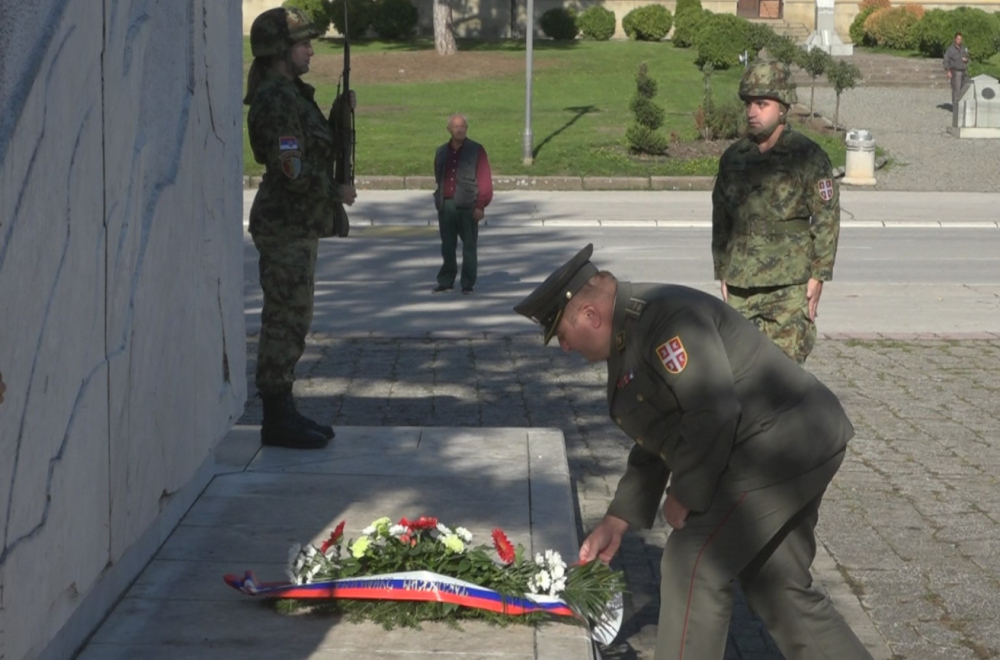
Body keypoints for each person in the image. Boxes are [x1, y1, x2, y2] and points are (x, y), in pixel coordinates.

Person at [514, 244, 873, 660]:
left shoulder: (664, 319)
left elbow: (712, 410)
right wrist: (618, 518)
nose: (565, 349)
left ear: (591, 316)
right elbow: (665, 432)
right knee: (778, 586)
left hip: (781, 442)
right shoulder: (632, 331)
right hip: (797, 438)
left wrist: (686, 491)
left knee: (692, 564)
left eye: (562, 335)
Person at [245, 7, 357, 449]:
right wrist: (334, 190)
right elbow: (291, 168)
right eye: (303, 43)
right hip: (283, 225)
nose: (310, 50)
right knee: (284, 320)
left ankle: (284, 408)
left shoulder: (292, 93)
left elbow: (310, 146)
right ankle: (276, 416)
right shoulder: (276, 98)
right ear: (279, 50)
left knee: (295, 317)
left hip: (296, 225)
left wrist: (337, 116)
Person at [712, 60, 841, 364]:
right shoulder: (734, 158)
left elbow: (826, 216)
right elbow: (722, 219)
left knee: (783, 378)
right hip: (742, 284)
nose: (752, 112)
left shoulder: (807, 156)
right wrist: (723, 270)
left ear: (783, 107)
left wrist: (818, 276)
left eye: (762, 104)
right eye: (748, 104)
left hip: (789, 285)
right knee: (738, 373)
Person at [432, 114, 493, 295]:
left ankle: (467, 283)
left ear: (467, 128)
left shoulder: (477, 150)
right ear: (449, 129)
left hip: (468, 206)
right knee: (447, 246)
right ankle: (446, 280)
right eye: (455, 127)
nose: (459, 130)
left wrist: (480, 205)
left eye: (462, 126)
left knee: (469, 247)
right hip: (447, 205)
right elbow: (438, 175)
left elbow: (485, 180)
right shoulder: (441, 151)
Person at [943, 32, 971, 119]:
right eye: (958, 39)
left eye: (960, 39)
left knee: (965, 89)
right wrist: (948, 70)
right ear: (955, 39)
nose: (959, 40)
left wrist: (966, 59)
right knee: (956, 89)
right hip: (956, 71)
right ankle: (956, 107)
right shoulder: (951, 50)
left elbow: (968, 57)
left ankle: (962, 106)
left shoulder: (964, 48)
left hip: (964, 71)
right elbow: (946, 60)